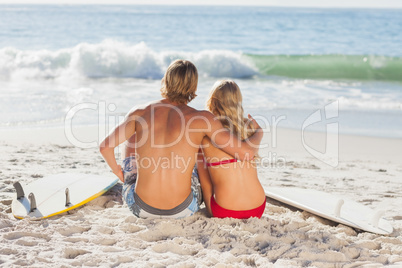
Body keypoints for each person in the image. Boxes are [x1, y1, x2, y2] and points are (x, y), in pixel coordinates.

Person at [99, 60, 263, 219]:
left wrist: (118, 171)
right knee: (197, 149)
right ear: (194, 87)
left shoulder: (139, 112)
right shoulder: (202, 118)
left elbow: (105, 147)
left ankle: (131, 178)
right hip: (184, 209)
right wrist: (259, 133)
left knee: (134, 134)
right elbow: (246, 153)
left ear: (166, 81)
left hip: (141, 208)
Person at [197, 80, 266, 219]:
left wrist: (211, 209)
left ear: (212, 101)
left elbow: (205, 184)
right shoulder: (250, 127)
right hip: (258, 208)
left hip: (225, 210)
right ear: (238, 101)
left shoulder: (206, 135)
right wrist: (259, 131)